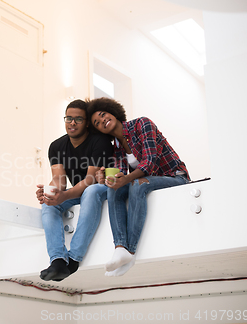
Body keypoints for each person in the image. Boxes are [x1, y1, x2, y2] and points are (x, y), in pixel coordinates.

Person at [87, 97, 190, 277]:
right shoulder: (117, 147)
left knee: (137, 183)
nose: (102, 121)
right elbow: (120, 175)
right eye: (97, 123)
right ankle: (119, 247)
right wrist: (106, 179)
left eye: (103, 115)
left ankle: (130, 252)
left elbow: (150, 163)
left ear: (113, 111)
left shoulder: (142, 124)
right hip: (149, 181)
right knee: (114, 188)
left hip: (175, 177)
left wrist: (124, 179)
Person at [36, 99, 114, 282]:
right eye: (69, 118)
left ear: (86, 122)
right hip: (78, 192)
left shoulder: (99, 141)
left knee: (91, 191)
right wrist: (50, 193)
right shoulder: (56, 146)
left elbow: (90, 179)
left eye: (78, 119)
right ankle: (57, 260)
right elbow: (59, 180)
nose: (72, 122)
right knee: (49, 204)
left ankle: (73, 259)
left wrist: (64, 195)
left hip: (103, 189)